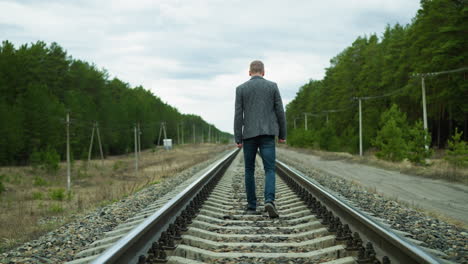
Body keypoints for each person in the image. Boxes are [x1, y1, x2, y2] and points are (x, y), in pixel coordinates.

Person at [234, 60, 286, 218]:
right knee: (269, 169)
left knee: (249, 170)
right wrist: (282, 135)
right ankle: (269, 200)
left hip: (249, 134)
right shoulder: (272, 86)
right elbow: (280, 111)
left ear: (249, 72)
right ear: (263, 72)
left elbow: (238, 114)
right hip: (268, 134)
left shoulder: (241, 89)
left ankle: (251, 206)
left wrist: (238, 137)